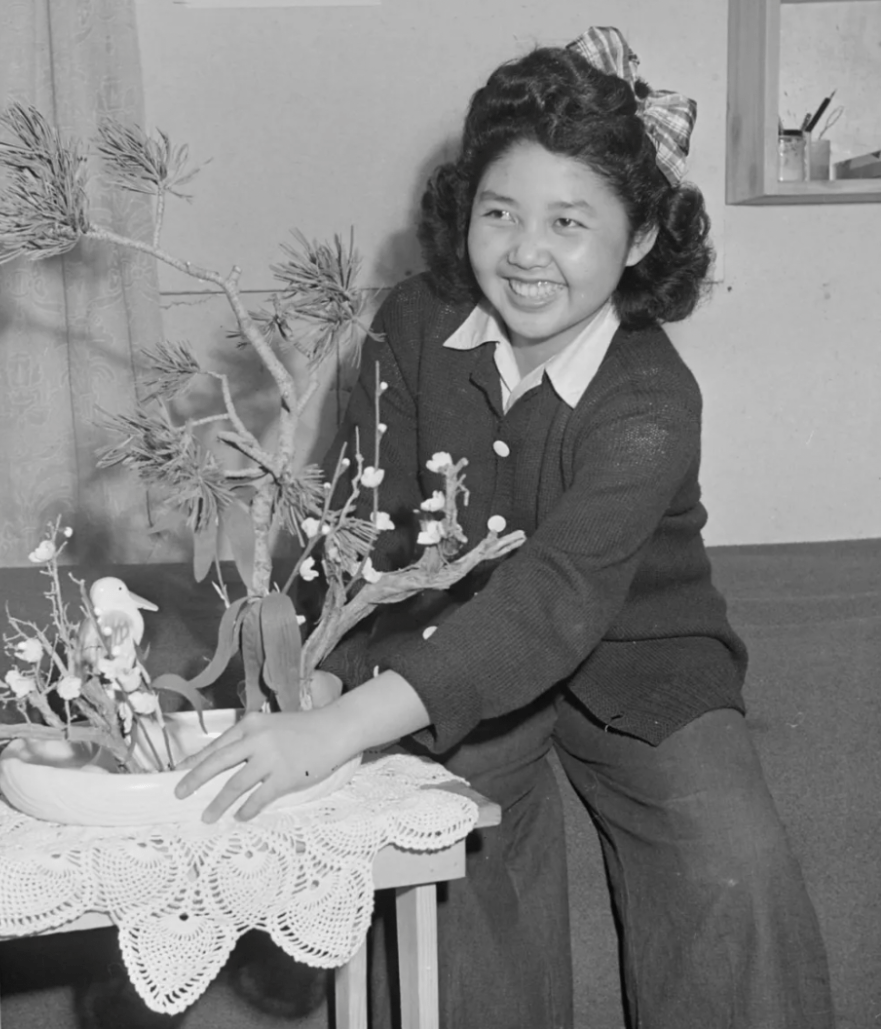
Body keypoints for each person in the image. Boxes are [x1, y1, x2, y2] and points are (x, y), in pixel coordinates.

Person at [178, 26, 834, 1028]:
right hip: (443, 648)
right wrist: (321, 666)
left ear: (643, 238)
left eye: (571, 222)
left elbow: (555, 604)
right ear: (466, 214)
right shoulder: (410, 322)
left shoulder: (652, 398)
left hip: (641, 658)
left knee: (732, 873)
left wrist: (338, 732)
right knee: (454, 873)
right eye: (501, 213)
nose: (528, 253)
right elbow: (359, 512)